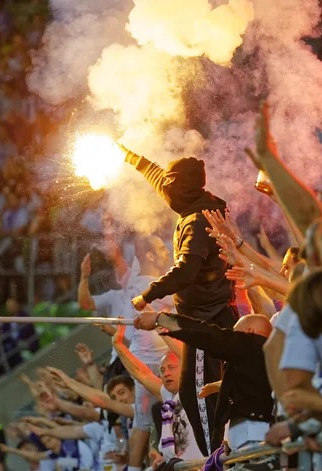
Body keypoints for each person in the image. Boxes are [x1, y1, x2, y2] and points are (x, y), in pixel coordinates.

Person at [121, 145, 237, 455]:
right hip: (208, 319)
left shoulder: (197, 220)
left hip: (206, 322)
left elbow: (186, 271)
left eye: (171, 187)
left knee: (197, 394)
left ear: (181, 188)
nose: (166, 192)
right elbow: (160, 178)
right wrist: (132, 157)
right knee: (209, 392)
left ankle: (217, 457)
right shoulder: (196, 201)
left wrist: (147, 296)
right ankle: (224, 453)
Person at [78, 236, 174, 470]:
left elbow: (124, 259)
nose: (166, 252)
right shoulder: (149, 284)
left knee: (148, 418)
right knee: (142, 418)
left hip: (155, 359)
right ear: (149, 256)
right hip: (148, 364)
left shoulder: (139, 280)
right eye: (162, 248)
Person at [135, 312, 274, 452]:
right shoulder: (269, 358)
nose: (232, 336)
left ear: (250, 331)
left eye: (235, 333)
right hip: (253, 435)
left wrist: (161, 320)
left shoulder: (250, 343)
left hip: (253, 436)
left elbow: (209, 335)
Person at [112, 323, 203, 468]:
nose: (166, 373)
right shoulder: (169, 395)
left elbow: (188, 357)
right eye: (162, 369)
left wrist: (160, 326)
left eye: (171, 368)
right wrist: (118, 345)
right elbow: (142, 374)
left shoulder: (198, 388)